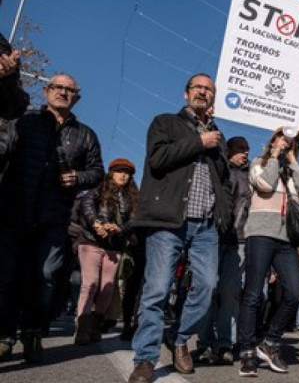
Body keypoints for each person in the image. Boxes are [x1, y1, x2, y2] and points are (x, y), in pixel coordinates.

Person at [128, 73, 232, 383]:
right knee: (157, 290)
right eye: (198, 87)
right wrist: (199, 141)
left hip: (206, 225)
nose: (203, 92)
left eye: (209, 89)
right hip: (168, 221)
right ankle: (145, 359)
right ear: (186, 93)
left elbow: (224, 179)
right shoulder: (165, 123)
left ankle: (179, 338)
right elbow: (158, 160)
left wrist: (222, 213)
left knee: (208, 286)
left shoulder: (218, 135)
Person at [0, 73, 104, 363]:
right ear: (46, 91)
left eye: (70, 90)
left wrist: (79, 176)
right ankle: (4, 336)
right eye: (58, 87)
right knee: (7, 276)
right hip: (14, 211)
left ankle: (33, 332)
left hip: (53, 217)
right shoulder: (23, 122)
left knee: (46, 277)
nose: (63, 93)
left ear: (77, 98)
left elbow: (97, 172)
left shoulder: (86, 134)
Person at [237, 127, 299, 377]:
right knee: (254, 295)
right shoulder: (259, 163)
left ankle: (269, 342)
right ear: (272, 141)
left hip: (286, 239)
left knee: (294, 292)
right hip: (260, 234)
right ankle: (247, 351)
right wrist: (275, 154)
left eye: (288, 142)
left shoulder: (291, 170)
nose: (284, 143)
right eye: (280, 139)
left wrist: (292, 161)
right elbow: (266, 185)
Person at [197, 136, 251, 365]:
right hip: (214, 237)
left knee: (230, 293)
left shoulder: (251, 177)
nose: (245, 153)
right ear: (228, 150)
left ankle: (225, 344)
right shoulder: (219, 169)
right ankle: (204, 342)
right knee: (208, 290)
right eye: (240, 149)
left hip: (238, 240)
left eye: (247, 150)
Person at [73, 158, 138, 345]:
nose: (123, 175)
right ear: (111, 173)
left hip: (114, 245)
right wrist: (96, 223)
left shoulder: (132, 196)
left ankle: (95, 326)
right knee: (90, 283)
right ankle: (82, 327)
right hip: (91, 241)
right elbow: (87, 205)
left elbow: (134, 219)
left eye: (127, 172)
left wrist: (122, 229)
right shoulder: (98, 189)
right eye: (119, 171)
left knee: (108, 287)